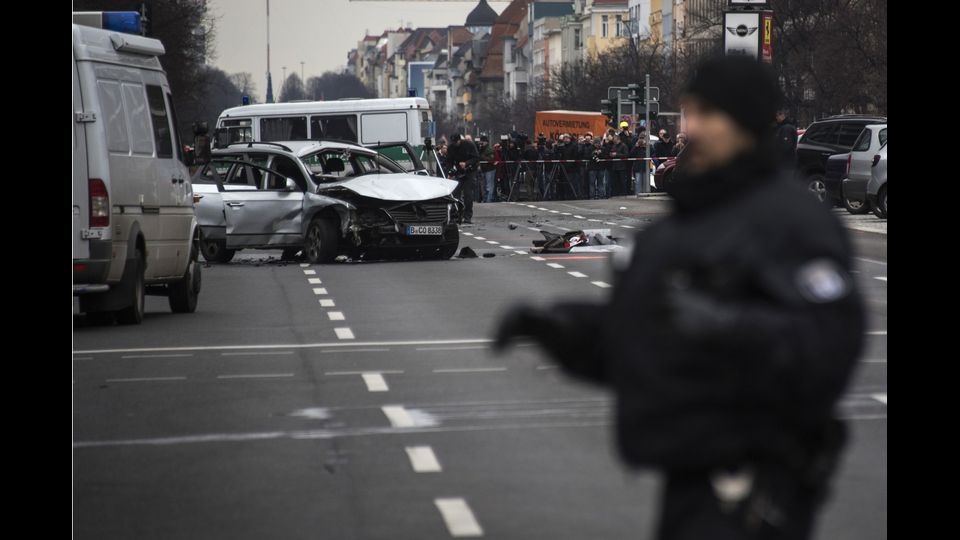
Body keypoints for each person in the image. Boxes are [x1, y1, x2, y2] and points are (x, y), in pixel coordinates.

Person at [494, 55, 864, 540]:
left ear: (747, 122)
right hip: (689, 474)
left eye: (708, 113)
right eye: (689, 111)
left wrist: (728, 326)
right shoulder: (687, 218)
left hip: (758, 477)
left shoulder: (791, 220)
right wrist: (568, 330)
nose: (691, 126)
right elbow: (652, 336)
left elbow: (829, 341)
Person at [447, 133, 479, 224]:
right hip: (459, 171)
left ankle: (467, 216)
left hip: (470, 170)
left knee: (468, 194)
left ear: (459, 140)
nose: (454, 144)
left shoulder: (469, 145)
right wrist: (450, 172)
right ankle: (455, 215)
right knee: (455, 194)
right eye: (453, 142)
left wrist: (466, 163)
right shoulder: (451, 148)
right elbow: (449, 161)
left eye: (456, 142)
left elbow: (476, 158)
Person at [775, 109, 798, 174]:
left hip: (786, 164)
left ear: (782, 115)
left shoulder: (786, 128)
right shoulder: (784, 127)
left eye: (777, 116)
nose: (776, 117)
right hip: (787, 164)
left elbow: (786, 147)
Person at [478, 135, 497, 203]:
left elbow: (491, 159)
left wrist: (482, 156)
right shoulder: (481, 149)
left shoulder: (490, 149)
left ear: (486, 142)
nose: (480, 143)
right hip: (484, 169)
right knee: (484, 185)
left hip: (490, 169)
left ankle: (489, 199)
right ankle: (485, 199)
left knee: (489, 185)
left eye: (482, 142)